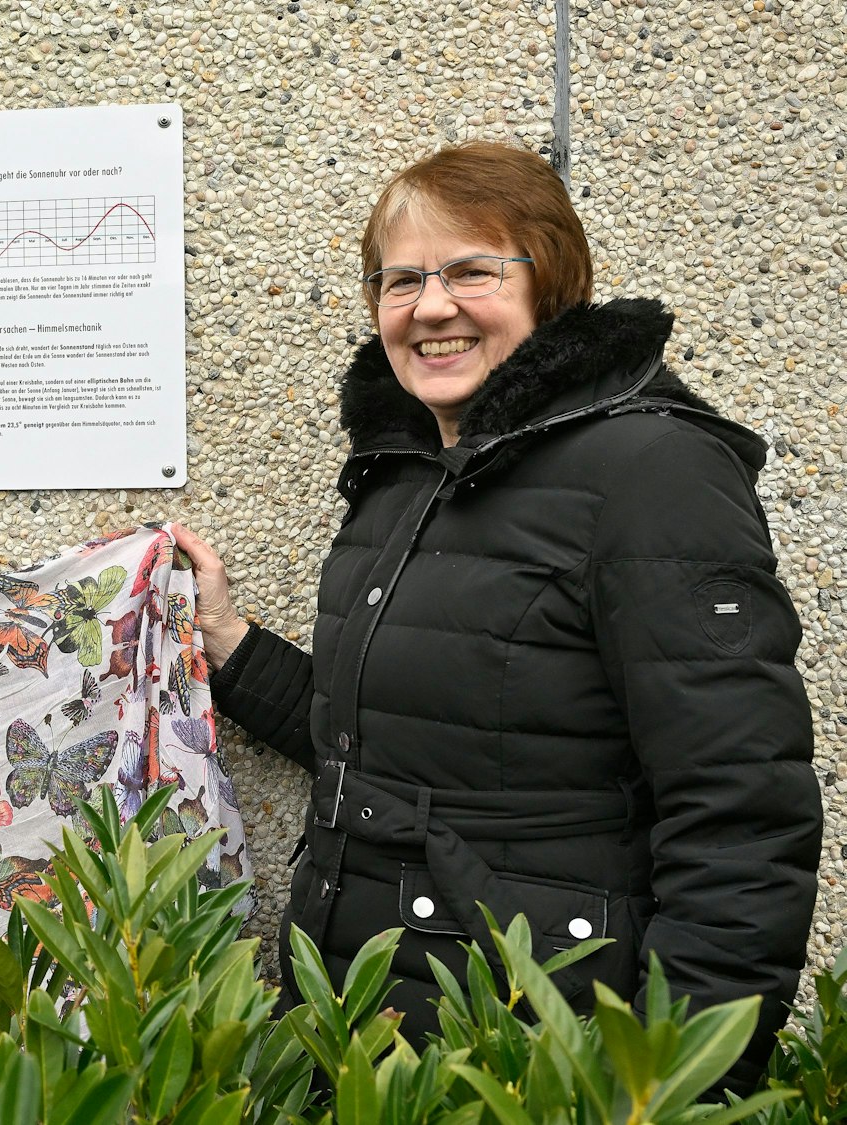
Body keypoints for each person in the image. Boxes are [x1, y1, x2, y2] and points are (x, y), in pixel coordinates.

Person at [173, 141, 818, 1087]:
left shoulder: (653, 472)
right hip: (365, 1029)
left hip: (532, 1041)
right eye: (401, 281)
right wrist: (229, 646)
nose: (431, 307)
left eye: (472, 271)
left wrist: (671, 1086)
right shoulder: (405, 478)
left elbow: (741, 812)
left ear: (550, 283)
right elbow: (397, 751)